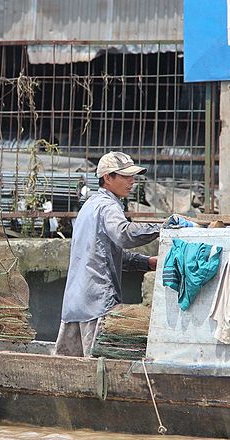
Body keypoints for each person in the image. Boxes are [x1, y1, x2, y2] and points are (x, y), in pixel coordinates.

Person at [54, 151, 161, 357]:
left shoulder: (90, 206)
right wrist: (161, 227)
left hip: (75, 304)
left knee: (70, 371)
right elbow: (124, 235)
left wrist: (147, 262)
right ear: (107, 178)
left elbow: (105, 253)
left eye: (133, 176)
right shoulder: (108, 206)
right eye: (125, 176)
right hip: (97, 302)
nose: (132, 181)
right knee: (98, 369)